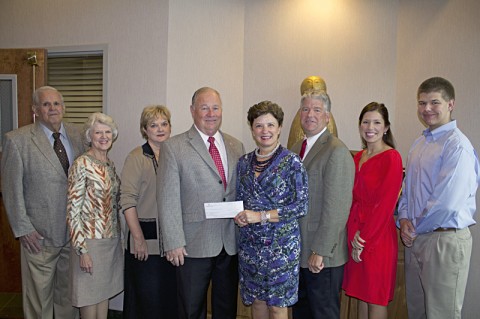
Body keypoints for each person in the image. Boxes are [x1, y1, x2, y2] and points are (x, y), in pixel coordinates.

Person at [157, 87, 245, 319]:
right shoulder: (173, 147)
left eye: (215, 107)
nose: (210, 113)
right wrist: (173, 241)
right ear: (192, 110)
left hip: (229, 242)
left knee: (226, 309)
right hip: (192, 245)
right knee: (190, 309)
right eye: (204, 107)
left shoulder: (236, 146)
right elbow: (167, 198)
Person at [397, 77, 480, 319]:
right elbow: (407, 190)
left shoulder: (457, 146)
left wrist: (413, 229)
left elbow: (446, 202)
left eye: (435, 102)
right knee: (417, 312)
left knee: (441, 314)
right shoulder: (419, 143)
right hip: (416, 237)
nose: (427, 109)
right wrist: (403, 220)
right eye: (422, 103)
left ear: (451, 104)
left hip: (444, 240)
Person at [1, 86, 83, 319]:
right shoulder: (17, 140)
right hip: (39, 236)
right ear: (35, 110)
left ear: (64, 108)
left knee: (69, 298)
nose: (53, 108)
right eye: (46, 104)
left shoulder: (79, 135)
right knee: (39, 301)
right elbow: (11, 190)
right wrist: (23, 228)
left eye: (57, 104)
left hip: (72, 233)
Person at [234, 101, 308, 319]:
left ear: (279, 127)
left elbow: (300, 206)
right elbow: (240, 200)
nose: (265, 131)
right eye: (259, 126)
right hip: (251, 246)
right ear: (252, 129)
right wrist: (241, 217)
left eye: (270, 125)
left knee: (277, 306)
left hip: (281, 247)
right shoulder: (243, 163)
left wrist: (260, 216)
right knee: (257, 302)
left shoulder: (292, 162)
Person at [291, 89, 354, 319]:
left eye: (317, 110)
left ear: (327, 117)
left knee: (323, 314)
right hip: (298, 251)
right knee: (302, 313)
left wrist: (320, 250)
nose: (310, 114)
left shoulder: (336, 151)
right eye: (305, 109)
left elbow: (336, 208)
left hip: (322, 255)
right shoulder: (295, 149)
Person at [342, 102, 403, 319]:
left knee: (375, 298)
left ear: (386, 127)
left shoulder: (392, 157)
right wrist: (353, 237)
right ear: (360, 125)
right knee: (361, 296)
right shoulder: (357, 157)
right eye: (366, 122)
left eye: (377, 122)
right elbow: (351, 200)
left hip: (377, 239)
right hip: (356, 232)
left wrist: (363, 240)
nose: (371, 127)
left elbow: (385, 206)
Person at [120, 105, 177, 318]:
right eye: (153, 125)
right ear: (145, 130)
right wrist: (138, 239)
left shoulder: (175, 154)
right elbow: (127, 201)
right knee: (147, 303)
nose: (160, 129)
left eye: (164, 124)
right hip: (145, 243)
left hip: (171, 244)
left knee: (169, 301)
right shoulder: (136, 157)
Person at [66, 112, 123, 319]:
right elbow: (73, 210)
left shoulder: (109, 164)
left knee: (103, 296)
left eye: (107, 132)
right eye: (98, 132)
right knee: (89, 298)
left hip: (110, 241)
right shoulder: (82, 164)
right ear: (89, 136)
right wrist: (82, 250)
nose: (103, 136)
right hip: (90, 243)